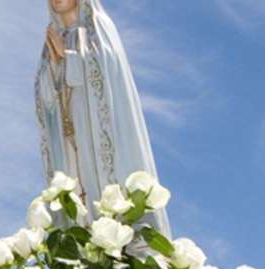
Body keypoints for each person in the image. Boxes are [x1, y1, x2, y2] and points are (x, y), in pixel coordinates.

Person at [35, 0, 171, 239]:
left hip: (98, 144)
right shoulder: (52, 41)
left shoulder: (99, 28)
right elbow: (45, 98)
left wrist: (68, 58)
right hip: (70, 150)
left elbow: (106, 75)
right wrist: (56, 66)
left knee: (109, 210)